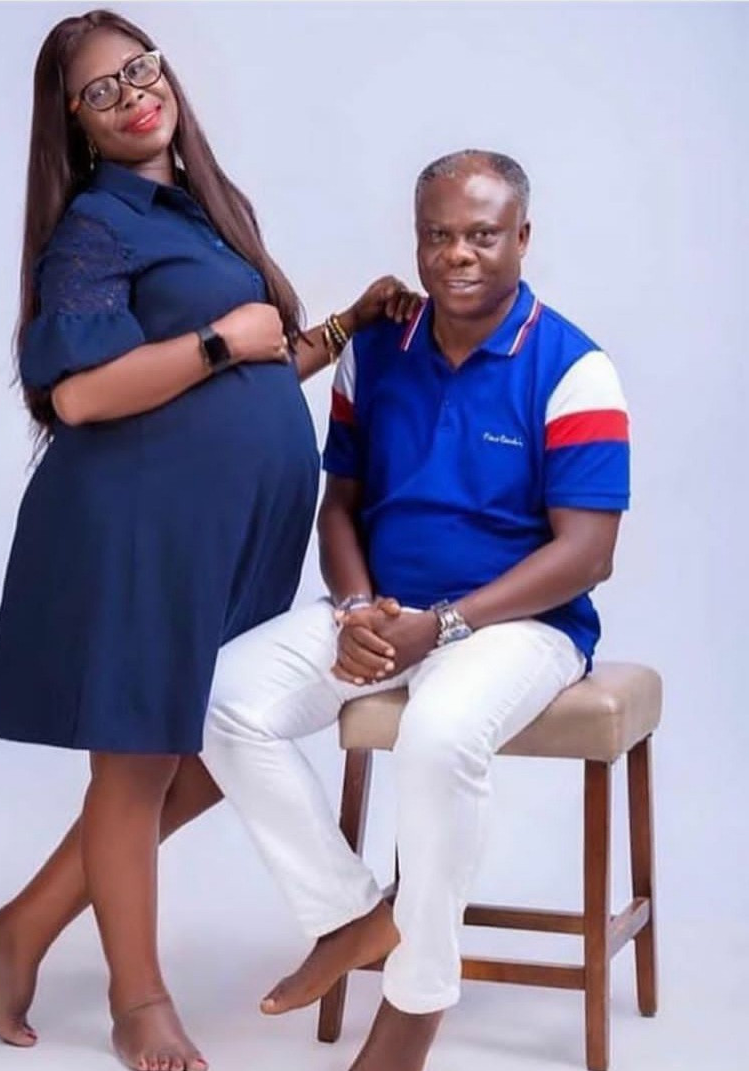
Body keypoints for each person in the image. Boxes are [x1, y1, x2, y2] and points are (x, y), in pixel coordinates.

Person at [0, 10, 417, 1071]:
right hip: (134, 529)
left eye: (141, 70)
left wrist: (348, 324)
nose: (134, 96)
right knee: (135, 768)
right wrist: (219, 339)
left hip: (227, 539)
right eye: (102, 90)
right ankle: (138, 1002)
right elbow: (79, 396)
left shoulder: (211, 207)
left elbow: (258, 363)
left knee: (208, 745)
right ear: (74, 122)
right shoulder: (95, 227)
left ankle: (17, 929)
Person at [199, 150, 632, 1071]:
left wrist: (441, 627)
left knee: (438, 735)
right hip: (383, 608)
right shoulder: (377, 352)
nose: (456, 255)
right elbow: (341, 505)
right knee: (223, 697)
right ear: (416, 238)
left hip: (522, 627)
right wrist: (357, 606)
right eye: (438, 235)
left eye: (481, 234)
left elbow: (588, 552)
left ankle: (416, 1002)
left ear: (523, 237)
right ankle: (351, 915)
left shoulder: (574, 366)